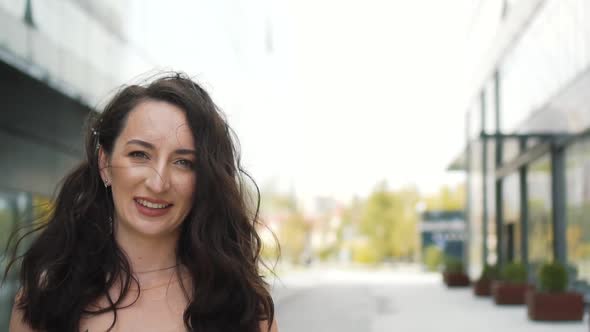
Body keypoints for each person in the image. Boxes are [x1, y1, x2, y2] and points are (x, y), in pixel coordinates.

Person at [5, 72, 278, 332]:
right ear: (105, 163)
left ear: (203, 180)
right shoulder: (45, 300)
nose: (158, 183)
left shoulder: (243, 309)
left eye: (183, 162)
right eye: (139, 155)